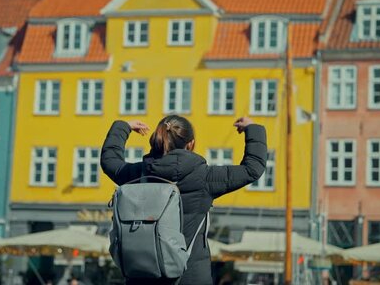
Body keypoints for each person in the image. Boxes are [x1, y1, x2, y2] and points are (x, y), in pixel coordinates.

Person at [101, 115, 267, 285]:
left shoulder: (139, 174)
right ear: (191, 144)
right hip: (191, 276)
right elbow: (252, 169)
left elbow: (109, 161)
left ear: (157, 139)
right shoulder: (205, 177)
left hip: (143, 275)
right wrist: (252, 129)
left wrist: (123, 127)